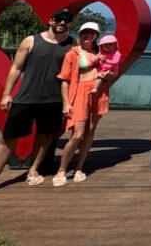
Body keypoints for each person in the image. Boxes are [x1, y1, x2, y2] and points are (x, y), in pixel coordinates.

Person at [0, 9, 75, 202]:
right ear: (50, 20)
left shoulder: (72, 44)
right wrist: (7, 93)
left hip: (53, 100)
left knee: (46, 135)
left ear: (70, 23)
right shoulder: (31, 41)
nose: (62, 23)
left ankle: (33, 169)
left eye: (66, 20)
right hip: (26, 98)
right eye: (58, 19)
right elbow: (16, 67)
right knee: (8, 138)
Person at [53, 22, 113, 186]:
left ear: (96, 36)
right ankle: (62, 170)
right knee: (77, 135)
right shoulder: (73, 53)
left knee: (89, 134)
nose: (88, 35)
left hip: (97, 94)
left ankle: (79, 168)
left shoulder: (101, 52)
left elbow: (109, 74)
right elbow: (64, 79)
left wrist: (107, 75)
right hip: (79, 93)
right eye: (85, 32)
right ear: (80, 34)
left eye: (92, 33)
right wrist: (66, 103)